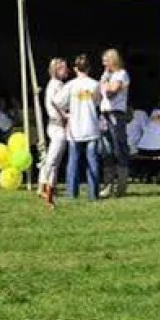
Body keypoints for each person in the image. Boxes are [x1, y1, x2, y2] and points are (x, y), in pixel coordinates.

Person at [60, 54, 102, 200]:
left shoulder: (70, 85)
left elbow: (57, 101)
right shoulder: (95, 84)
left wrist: (65, 114)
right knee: (93, 161)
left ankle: (72, 193)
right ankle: (93, 194)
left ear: (75, 69)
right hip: (91, 126)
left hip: (75, 127)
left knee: (73, 161)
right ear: (89, 68)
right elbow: (97, 103)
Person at [97, 48, 132, 198]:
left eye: (105, 60)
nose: (103, 64)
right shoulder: (107, 75)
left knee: (119, 148)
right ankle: (107, 185)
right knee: (106, 150)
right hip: (104, 113)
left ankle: (121, 185)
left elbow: (112, 93)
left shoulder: (121, 74)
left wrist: (105, 83)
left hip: (116, 114)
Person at [38, 57, 71, 207]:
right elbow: (56, 103)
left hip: (55, 124)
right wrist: (65, 116)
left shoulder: (53, 85)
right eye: (64, 68)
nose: (67, 71)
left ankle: (48, 184)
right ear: (57, 70)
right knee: (53, 159)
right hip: (58, 124)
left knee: (54, 159)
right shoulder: (58, 86)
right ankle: (45, 185)